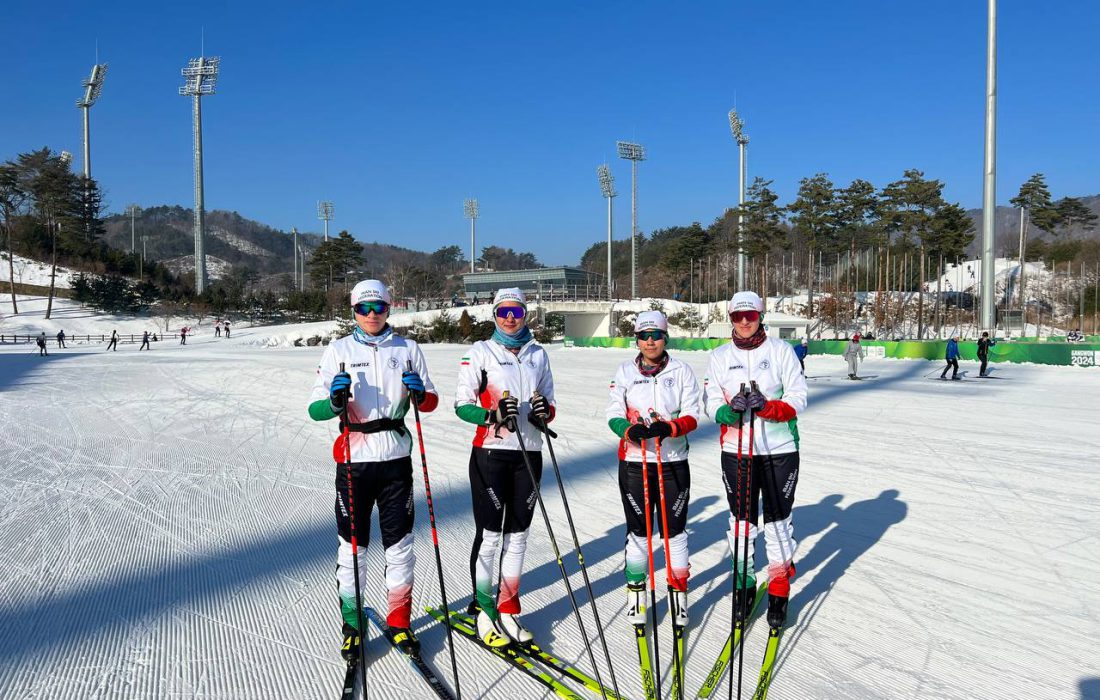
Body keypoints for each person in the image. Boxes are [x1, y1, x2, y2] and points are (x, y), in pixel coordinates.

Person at [308, 279, 439, 660]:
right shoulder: (339, 350)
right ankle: (353, 627)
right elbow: (314, 409)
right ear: (353, 310)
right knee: (353, 549)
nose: (371, 315)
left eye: (378, 307)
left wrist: (420, 394)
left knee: (401, 547)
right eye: (363, 309)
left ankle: (400, 622)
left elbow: (429, 402)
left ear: (389, 308)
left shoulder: (408, 349)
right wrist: (334, 399)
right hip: (354, 461)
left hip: (396, 459)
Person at [454, 287, 556, 647]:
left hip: (529, 452)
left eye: (516, 311)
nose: (510, 318)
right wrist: (490, 415)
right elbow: (462, 405)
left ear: (525, 314)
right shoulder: (481, 352)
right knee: (491, 535)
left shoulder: (538, 354)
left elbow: (550, 402)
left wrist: (545, 412)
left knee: (518, 535)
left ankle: (509, 607)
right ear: (494, 314)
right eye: (503, 312)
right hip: (491, 454)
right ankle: (484, 610)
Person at [704, 290, 807, 629]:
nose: (744, 321)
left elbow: (799, 398)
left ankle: (779, 585)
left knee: (778, 523)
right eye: (737, 316)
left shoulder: (780, 351)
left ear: (761, 315)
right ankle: (744, 583)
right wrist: (727, 410)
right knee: (741, 523)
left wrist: (767, 407)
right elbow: (708, 403)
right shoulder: (719, 356)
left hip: (779, 452)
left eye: (750, 315)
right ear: (730, 318)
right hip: (737, 452)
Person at [605, 310, 700, 631]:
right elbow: (613, 413)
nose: (649, 341)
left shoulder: (682, 371)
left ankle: (678, 594)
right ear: (636, 339)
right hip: (635, 463)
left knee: (674, 532)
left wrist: (670, 427)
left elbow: (693, 414)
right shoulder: (623, 371)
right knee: (639, 533)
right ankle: (636, 593)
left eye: (655, 335)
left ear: (665, 337)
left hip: (672, 461)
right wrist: (629, 430)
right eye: (643, 336)